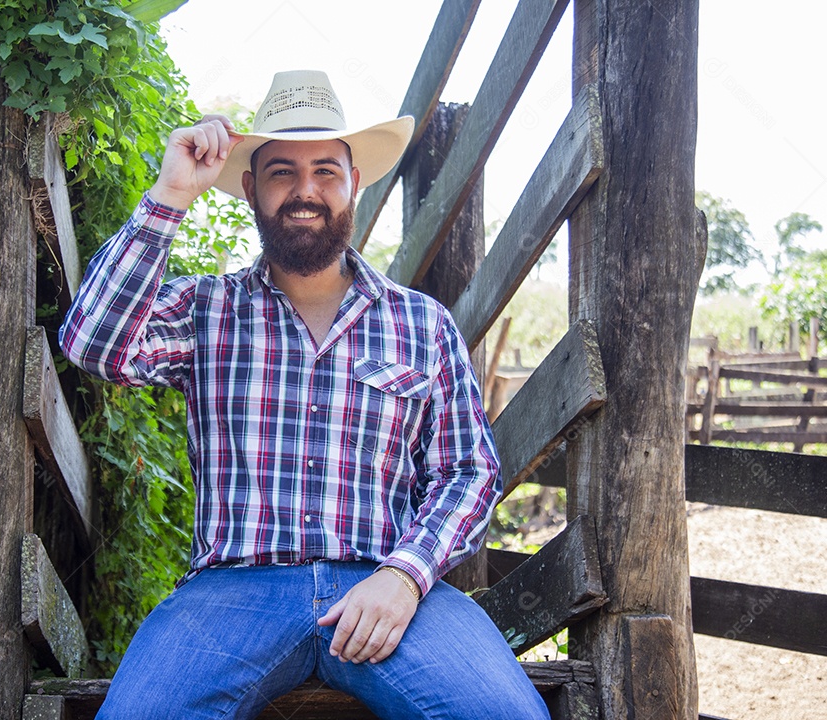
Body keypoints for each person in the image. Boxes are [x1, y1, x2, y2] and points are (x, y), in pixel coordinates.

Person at [60, 70, 549, 720]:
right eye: (282, 172)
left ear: (354, 184)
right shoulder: (206, 311)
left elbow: (468, 471)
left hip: (384, 585)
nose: (306, 190)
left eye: (326, 170)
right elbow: (92, 343)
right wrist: (171, 194)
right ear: (249, 189)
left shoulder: (421, 324)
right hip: (231, 590)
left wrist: (406, 575)